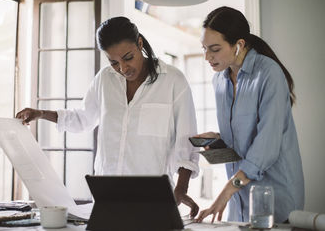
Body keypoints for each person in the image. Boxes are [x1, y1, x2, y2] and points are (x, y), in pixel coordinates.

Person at [16, 16, 200, 217]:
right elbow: (83, 119)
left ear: (140, 43)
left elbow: (187, 141)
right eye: (114, 62)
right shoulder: (104, 79)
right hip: (107, 198)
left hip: (153, 200)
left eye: (128, 58)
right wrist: (41, 113)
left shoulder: (173, 81)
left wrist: (181, 189)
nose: (123, 69)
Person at [194, 6, 304, 223]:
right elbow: (240, 141)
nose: (207, 56)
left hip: (275, 200)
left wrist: (227, 191)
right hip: (240, 203)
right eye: (204, 48)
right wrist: (218, 142)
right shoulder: (219, 81)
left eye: (214, 49)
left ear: (239, 45)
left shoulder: (268, 74)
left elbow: (267, 145)